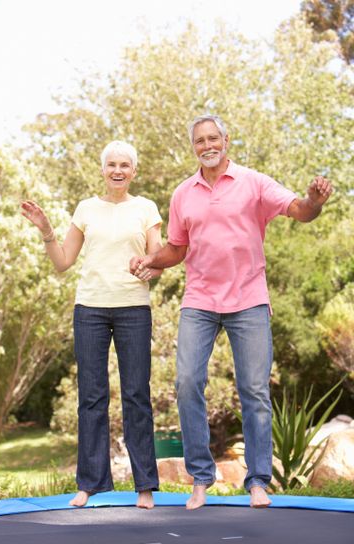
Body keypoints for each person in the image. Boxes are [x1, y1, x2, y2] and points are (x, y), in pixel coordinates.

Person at [130, 114, 332, 510]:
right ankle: (201, 479)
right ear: (194, 147)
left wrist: (314, 201)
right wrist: (150, 261)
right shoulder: (183, 193)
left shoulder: (253, 183)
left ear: (226, 140)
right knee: (187, 383)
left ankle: (257, 481)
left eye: (212, 138)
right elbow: (176, 248)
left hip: (249, 300)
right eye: (199, 140)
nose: (207, 145)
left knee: (254, 391)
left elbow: (299, 209)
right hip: (200, 302)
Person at [22, 140, 162, 509]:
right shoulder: (86, 208)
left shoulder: (146, 208)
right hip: (90, 310)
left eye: (125, 165)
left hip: (133, 308)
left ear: (134, 171)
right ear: (103, 169)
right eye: (112, 164)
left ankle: (144, 486)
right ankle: (90, 483)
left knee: (136, 395)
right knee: (92, 397)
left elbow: (159, 258)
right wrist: (46, 229)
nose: (118, 170)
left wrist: (149, 264)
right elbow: (63, 261)